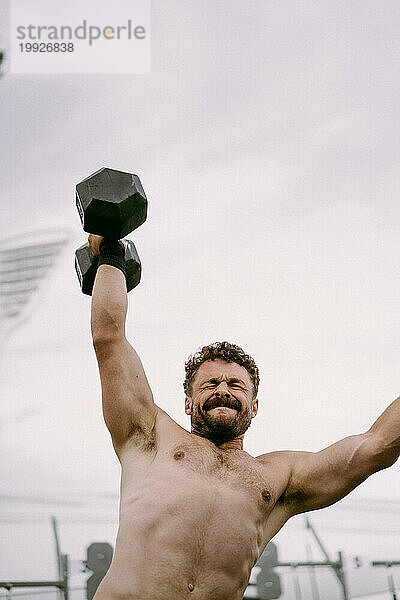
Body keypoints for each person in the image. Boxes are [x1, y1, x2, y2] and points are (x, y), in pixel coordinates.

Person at [88, 233, 399, 600]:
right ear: (188, 403)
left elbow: (376, 446)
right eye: (210, 384)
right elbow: (110, 339)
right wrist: (110, 252)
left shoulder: (280, 477)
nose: (223, 390)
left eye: (236, 384)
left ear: (254, 406)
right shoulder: (150, 435)